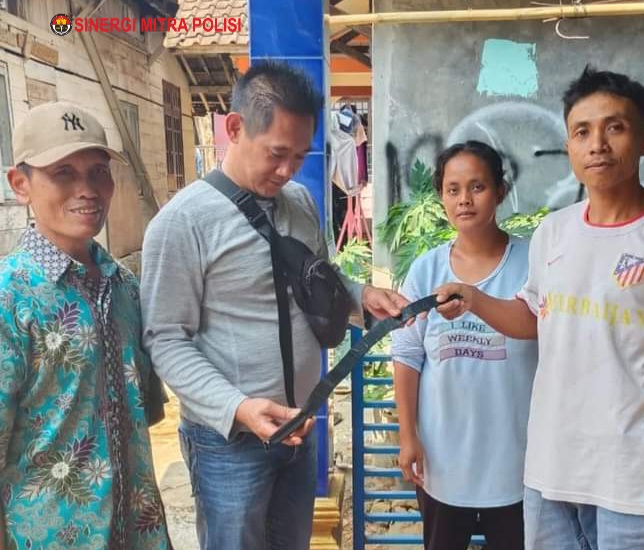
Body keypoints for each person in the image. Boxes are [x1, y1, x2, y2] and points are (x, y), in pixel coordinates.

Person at [434, 66, 644, 550]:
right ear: (568, 145)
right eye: (582, 132)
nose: (597, 145)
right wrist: (473, 298)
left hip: (636, 481)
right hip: (550, 475)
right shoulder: (554, 232)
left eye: (615, 128)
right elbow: (533, 318)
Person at [140, 60, 407, 550]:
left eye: (299, 157)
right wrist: (238, 408)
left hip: (300, 428)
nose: (287, 171)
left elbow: (318, 282)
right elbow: (166, 339)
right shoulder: (182, 223)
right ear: (235, 128)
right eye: (277, 154)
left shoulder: (300, 201)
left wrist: (361, 296)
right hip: (229, 444)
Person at [0, 102, 172, 549]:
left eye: (99, 172)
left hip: (138, 531)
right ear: (20, 184)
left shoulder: (124, 287)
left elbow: (146, 411)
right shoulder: (10, 297)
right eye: (63, 173)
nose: (88, 190)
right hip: (48, 537)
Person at [391, 141, 537, 550]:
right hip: (443, 462)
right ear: (441, 196)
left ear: (500, 191)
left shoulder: (531, 262)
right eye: (452, 189)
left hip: (516, 464)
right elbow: (407, 355)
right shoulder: (426, 269)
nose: (464, 200)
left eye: (477, 187)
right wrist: (408, 435)